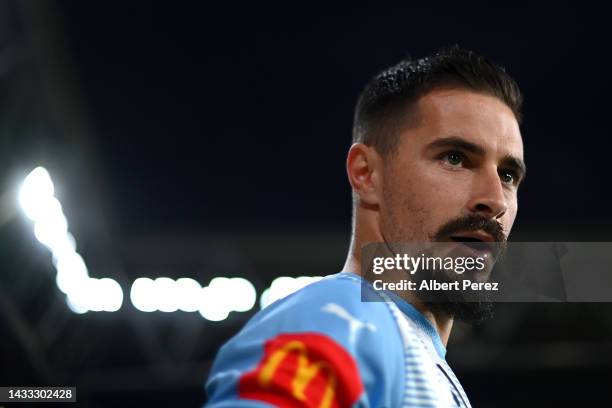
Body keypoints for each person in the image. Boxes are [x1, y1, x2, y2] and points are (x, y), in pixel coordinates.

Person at [204, 46, 526, 407]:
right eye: (455, 158)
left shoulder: (410, 356)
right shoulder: (338, 325)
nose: (495, 200)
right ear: (366, 174)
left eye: (508, 175)